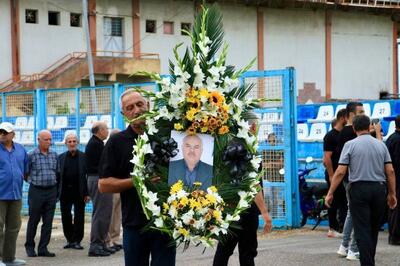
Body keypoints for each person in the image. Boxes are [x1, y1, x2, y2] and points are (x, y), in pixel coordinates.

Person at [98, 89, 176, 266]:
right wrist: (138, 181)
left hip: (166, 222)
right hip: (134, 224)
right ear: (123, 114)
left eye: (140, 104)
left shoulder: (165, 135)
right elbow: (103, 185)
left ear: (148, 105)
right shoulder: (117, 142)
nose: (136, 110)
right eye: (130, 107)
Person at [325, 114, 397, 266]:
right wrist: (392, 193)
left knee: (361, 229)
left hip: (358, 189)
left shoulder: (350, 145)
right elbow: (390, 171)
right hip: (379, 189)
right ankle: (370, 260)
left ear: (354, 128)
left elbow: (340, 172)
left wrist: (330, 192)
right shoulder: (380, 145)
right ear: (369, 126)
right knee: (373, 229)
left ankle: (367, 263)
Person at [213, 114, 272, 266]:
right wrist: (264, 212)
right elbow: (253, 184)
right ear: (252, 127)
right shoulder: (249, 150)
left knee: (223, 251)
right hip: (246, 208)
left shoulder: (226, 146)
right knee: (247, 252)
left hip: (229, 207)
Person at [334, 102, 364, 261]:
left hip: (350, 178)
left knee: (351, 213)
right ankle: (352, 248)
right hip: (352, 179)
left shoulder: (347, 133)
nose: (364, 114)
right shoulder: (349, 133)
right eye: (361, 111)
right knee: (355, 213)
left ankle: (344, 246)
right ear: (351, 114)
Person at [25, 130, 58, 257]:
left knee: (48, 222)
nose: (49, 142)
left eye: (50, 139)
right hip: (36, 191)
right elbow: (25, 173)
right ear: (38, 140)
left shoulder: (54, 154)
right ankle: (30, 247)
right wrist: (32, 181)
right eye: (46, 139)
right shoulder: (31, 155)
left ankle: (43, 248)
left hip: (51, 191)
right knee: (34, 220)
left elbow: (57, 172)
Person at [0, 122, 28, 266]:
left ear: (13, 134)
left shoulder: (21, 149)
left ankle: (8, 258)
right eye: (1, 132)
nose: (3, 134)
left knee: (13, 227)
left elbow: (25, 170)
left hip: (16, 194)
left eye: (6, 132)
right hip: (0, 194)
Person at [85, 122, 114, 257]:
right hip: (98, 179)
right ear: (100, 131)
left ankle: (101, 242)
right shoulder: (95, 145)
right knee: (101, 212)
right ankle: (95, 244)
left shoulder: (98, 143)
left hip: (99, 179)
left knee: (105, 212)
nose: (107, 131)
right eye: (106, 129)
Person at [58, 133, 89, 250]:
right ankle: (69, 239)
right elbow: (57, 176)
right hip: (65, 192)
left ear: (77, 143)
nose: (72, 143)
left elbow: (87, 176)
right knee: (65, 216)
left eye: (74, 141)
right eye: (69, 141)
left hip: (79, 192)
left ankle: (77, 240)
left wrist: (87, 193)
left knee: (79, 217)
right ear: (66, 144)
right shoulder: (60, 158)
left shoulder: (84, 157)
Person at [323, 109, 347, 238]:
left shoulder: (345, 134)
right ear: (343, 118)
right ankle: (332, 228)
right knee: (333, 199)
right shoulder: (330, 136)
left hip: (343, 173)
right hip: (334, 174)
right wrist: (332, 175)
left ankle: (342, 227)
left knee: (344, 201)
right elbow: (327, 158)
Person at [106, 128, 123, 251]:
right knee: (109, 213)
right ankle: (108, 240)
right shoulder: (107, 149)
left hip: (121, 184)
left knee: (118, 213)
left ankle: (115, 238)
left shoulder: (121, 149)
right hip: (111, 184)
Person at [385, 115, 400, 245]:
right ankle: (395, 236)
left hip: (391, 177)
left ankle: (393, 235)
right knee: (396, 207)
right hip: (396, 177)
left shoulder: (391, 138)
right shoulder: (398, 140)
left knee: (393, 206)